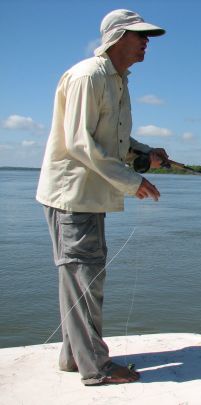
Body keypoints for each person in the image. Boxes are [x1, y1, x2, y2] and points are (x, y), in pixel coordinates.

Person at [36, 9, 168, 386]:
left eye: (147, 37)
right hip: (72, 196)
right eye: (140, 36)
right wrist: (133, 181)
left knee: (86, 279)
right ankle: (96, 368)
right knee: (84, 278)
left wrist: (146, 153)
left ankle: (74, 357)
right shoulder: (88, 77)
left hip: (89, 195)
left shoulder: (119, 80)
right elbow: (80, 143)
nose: (146, 43)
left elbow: (113, 141)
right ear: (116, 37)